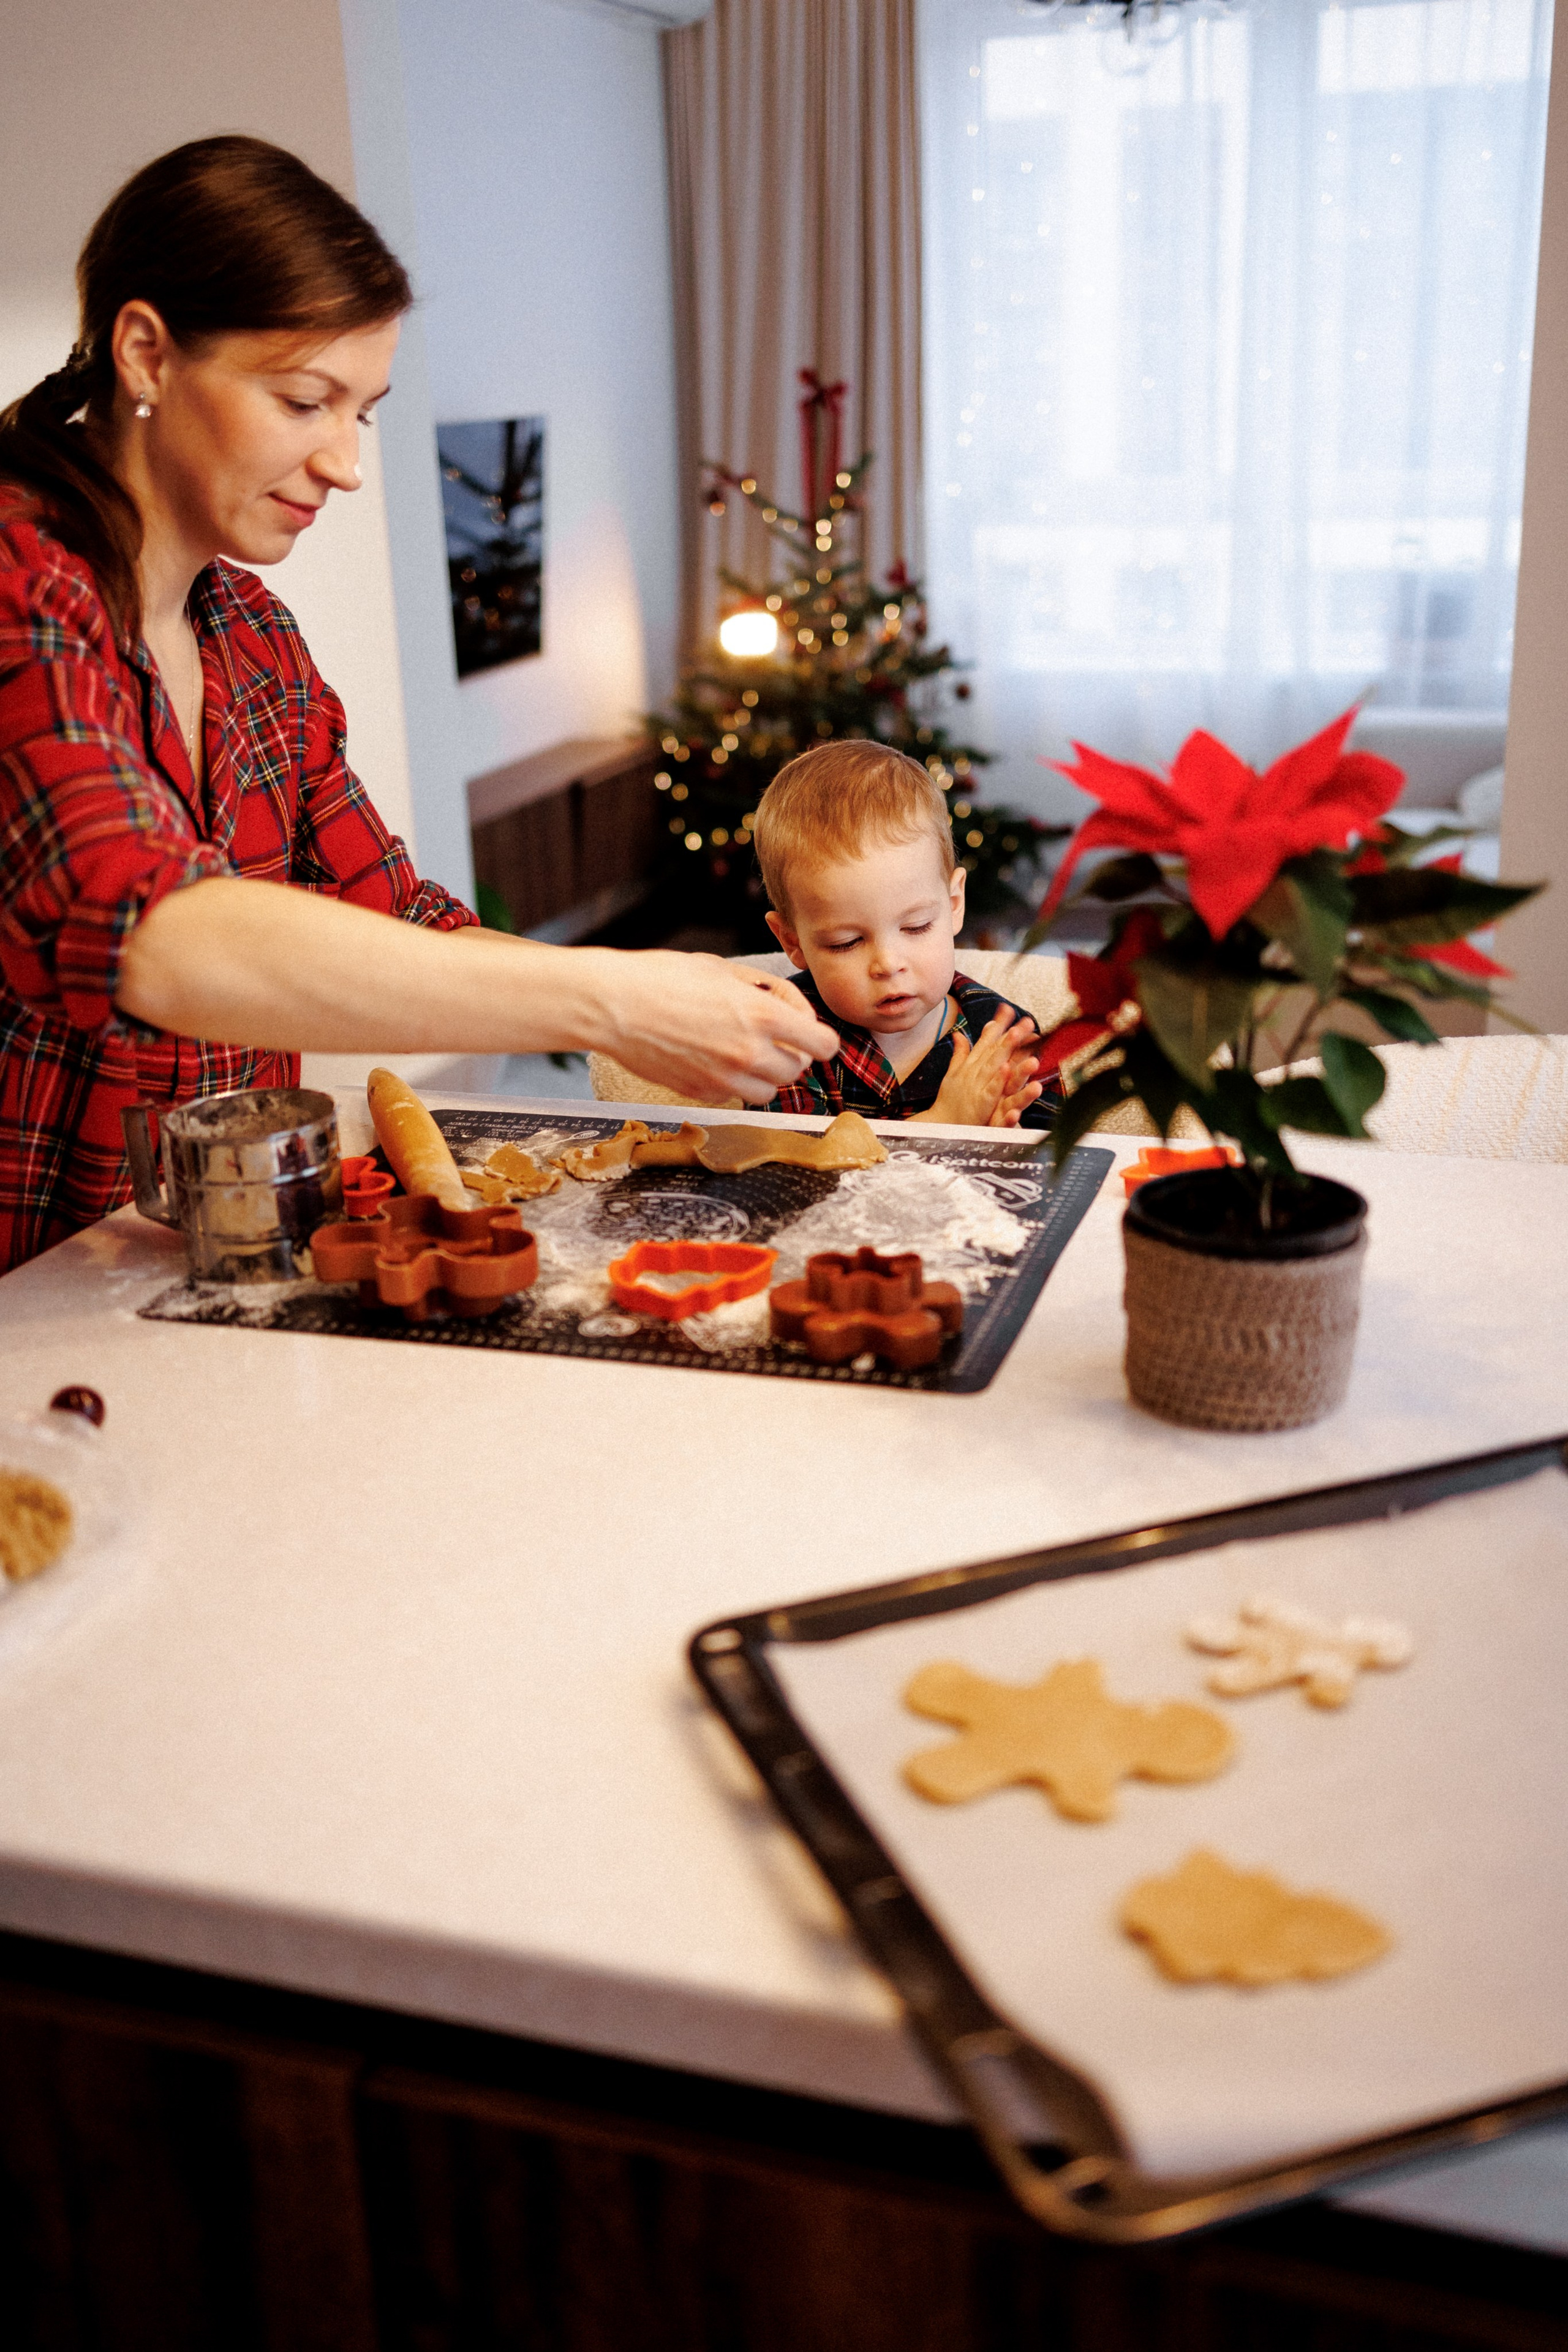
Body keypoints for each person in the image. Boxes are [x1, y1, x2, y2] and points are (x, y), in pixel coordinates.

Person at [0, 136, 835, 1273]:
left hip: (169, 1265)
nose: (346, 463)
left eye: (366, 412)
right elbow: (154, 933)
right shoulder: (18, 581)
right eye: (305, 401)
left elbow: (388, 913)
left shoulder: (249, 638)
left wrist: (677, 995)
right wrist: (607, 1002)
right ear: (146, 353)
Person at [752, 742, 1058, 1128]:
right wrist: (946, 1122)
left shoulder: (1003, 1037)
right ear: (793, 942)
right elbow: (789, 1174)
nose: (888, 964)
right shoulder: (785, 1035)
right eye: (846, 943)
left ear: (953, 905)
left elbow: (1063, 1169)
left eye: (916, 927)